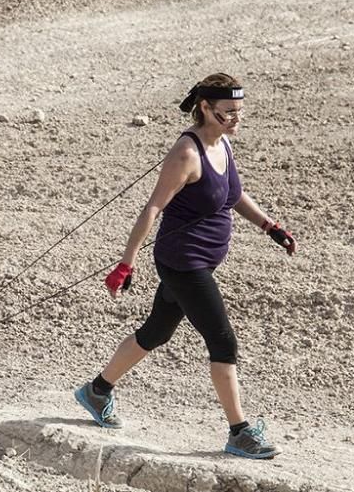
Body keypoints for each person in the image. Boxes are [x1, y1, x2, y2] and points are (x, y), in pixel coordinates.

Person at [74, 73, 296, 460]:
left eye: (239, 112)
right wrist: (126, 264)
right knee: (223, 341)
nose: (235, 120)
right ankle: (240, 433)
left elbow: (234, 195)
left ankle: (97, 391)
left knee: (156, 332)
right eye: (227, 113)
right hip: (183, 262)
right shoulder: (187, 153)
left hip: (199, 262)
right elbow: (153, 208)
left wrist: (269, 226)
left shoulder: (222, 144)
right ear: (206, 109)